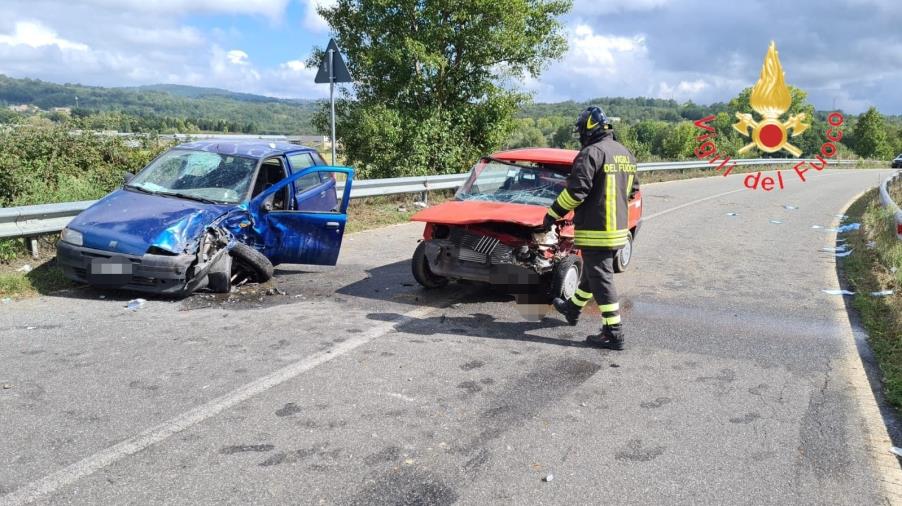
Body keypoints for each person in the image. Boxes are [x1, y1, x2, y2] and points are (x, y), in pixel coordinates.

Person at [543, 106, 639, 350]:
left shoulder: (591, 153)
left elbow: (576, 192)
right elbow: (633, 190)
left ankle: (613, 332)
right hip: (618, 228)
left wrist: (552, 214)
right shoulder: (624, 153)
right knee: (592, 274)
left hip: (597, 229)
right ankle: (572, 309)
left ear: (588, 129)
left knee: (601, 278)